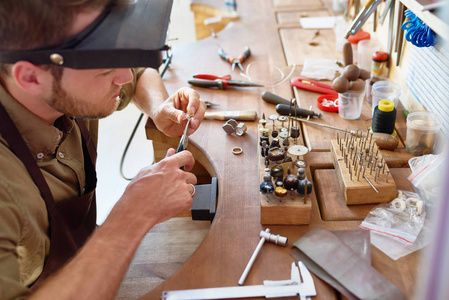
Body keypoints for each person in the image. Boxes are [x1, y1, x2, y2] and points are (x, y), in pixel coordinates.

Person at [0, 0, 206, 299]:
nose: (122, 77)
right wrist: (131, 216)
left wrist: (159, 108)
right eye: (106, 68)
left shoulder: (59, 81)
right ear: (31, 77)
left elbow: (137, 75)